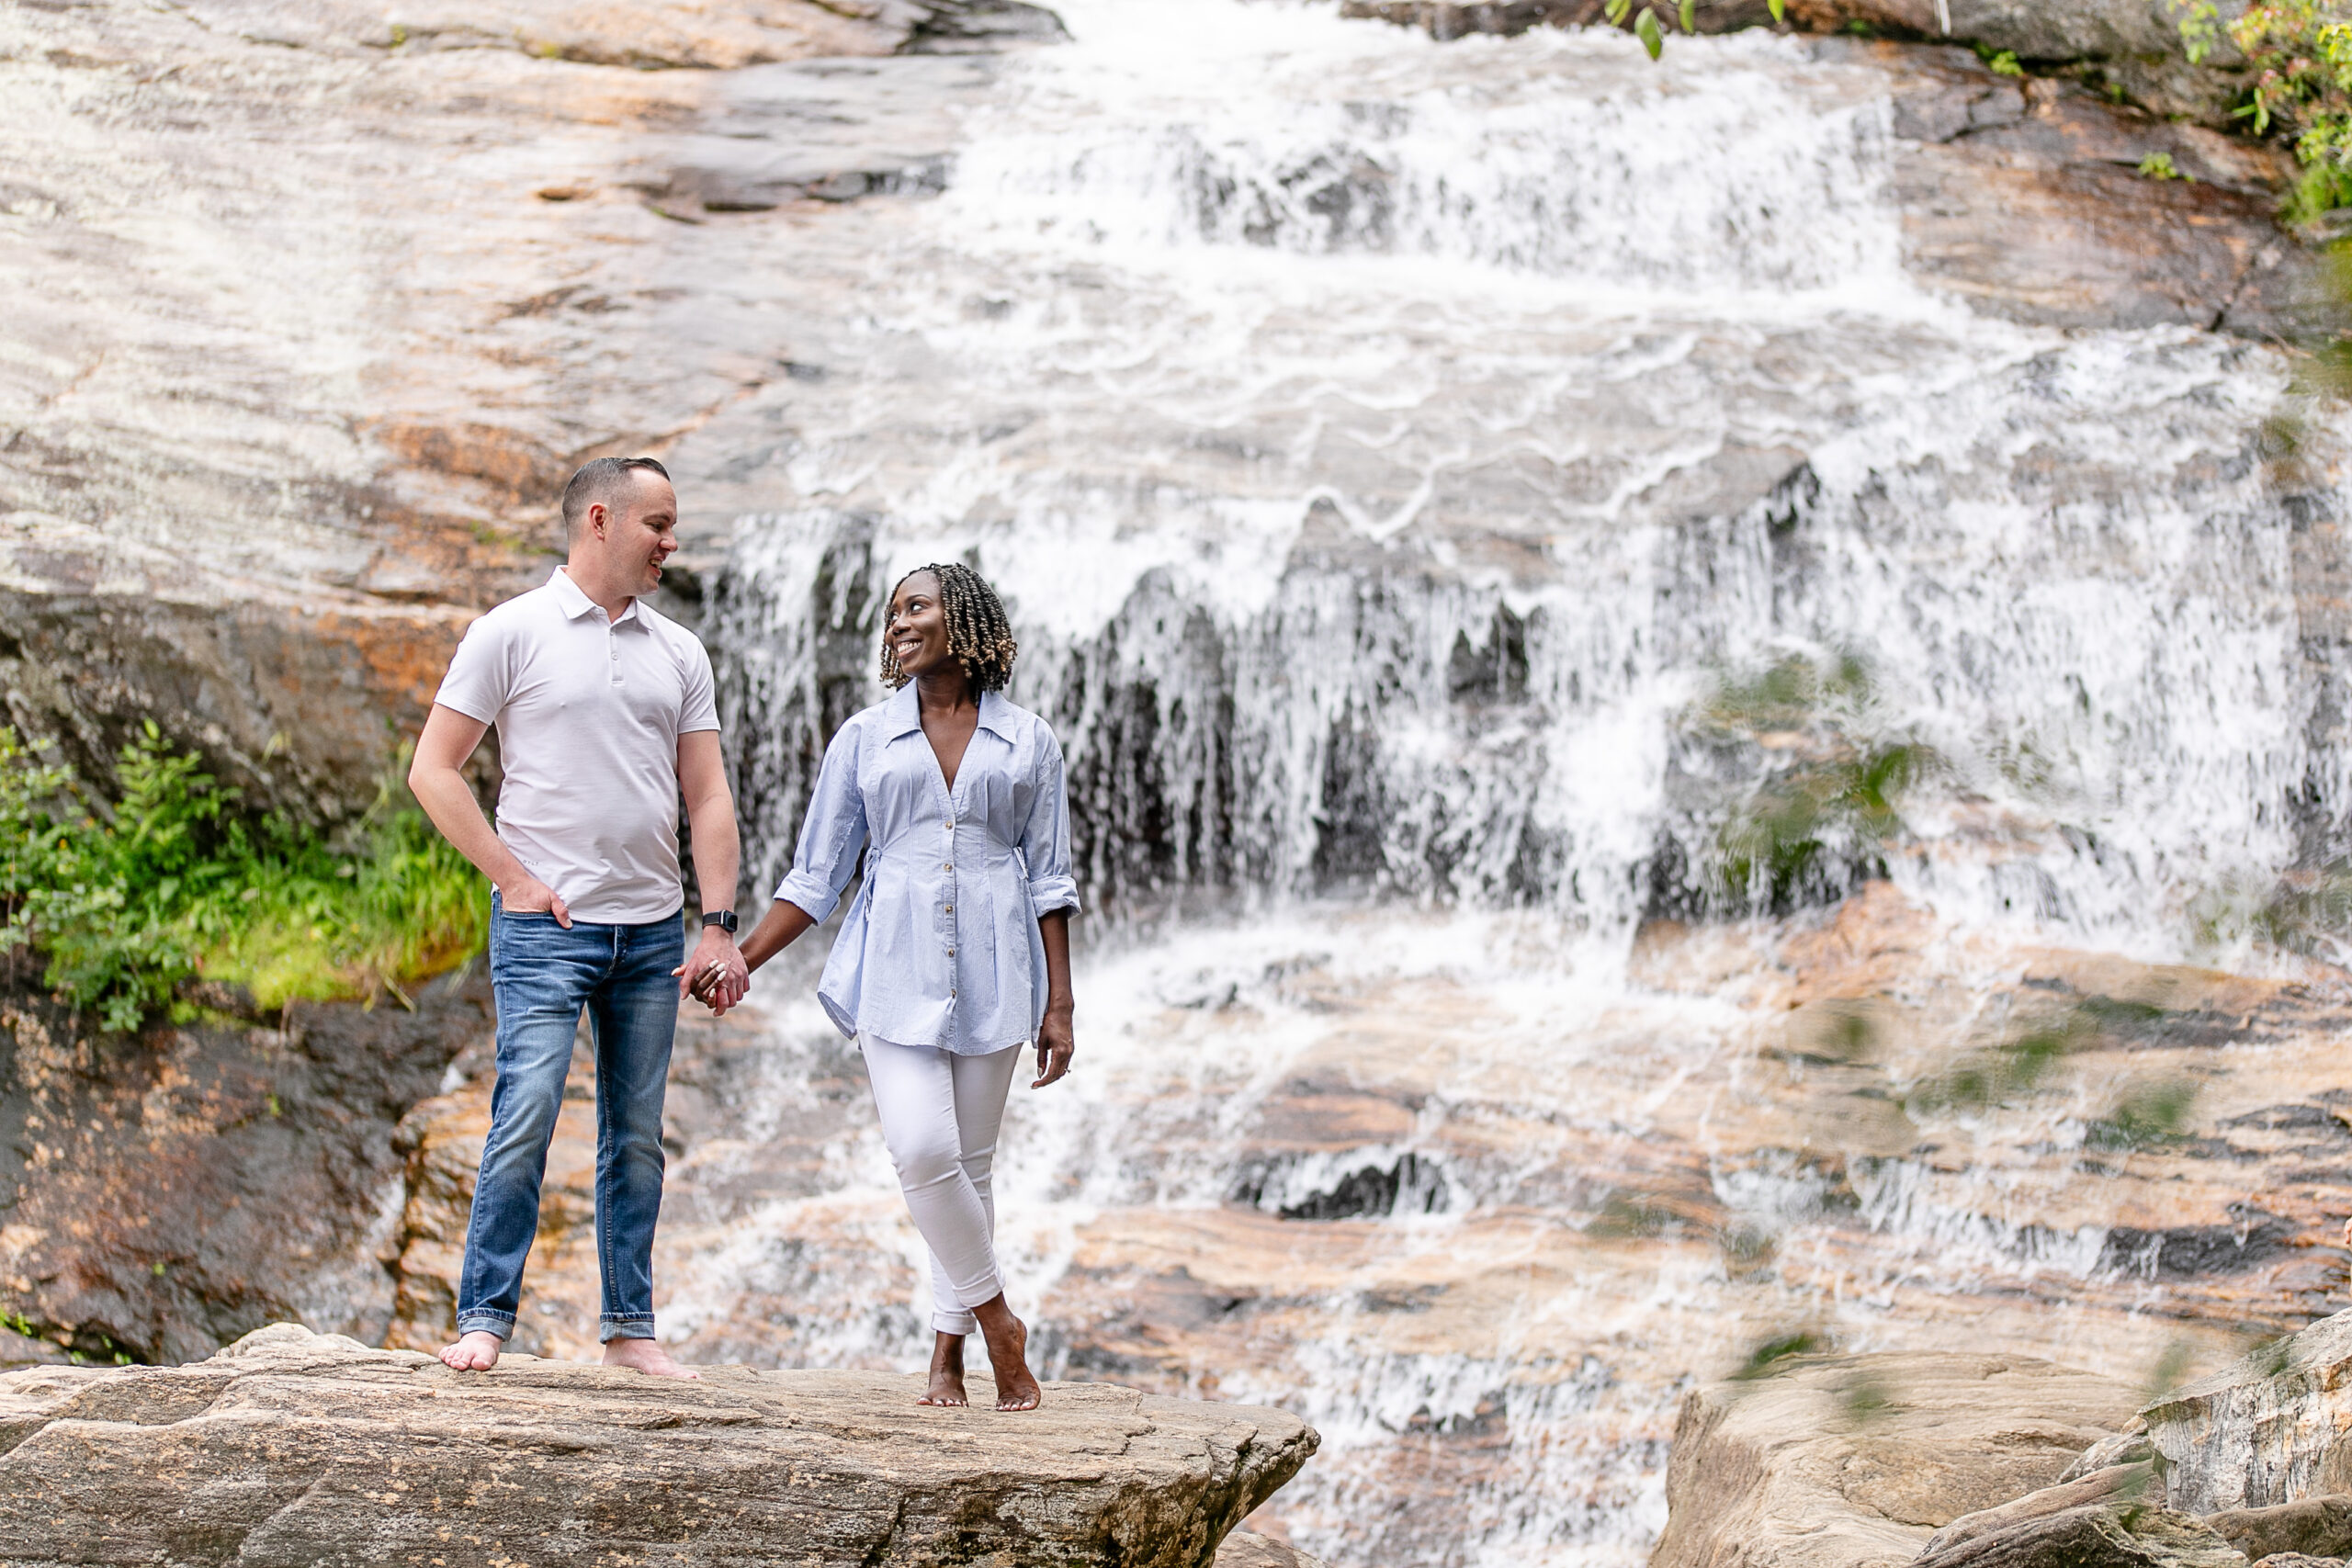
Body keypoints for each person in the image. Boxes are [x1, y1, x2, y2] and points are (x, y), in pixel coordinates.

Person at [408, 456, 751, 1378]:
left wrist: (717, 924)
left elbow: (709, 796)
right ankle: (483, 1318)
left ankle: (630, 1332)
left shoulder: (678, 650)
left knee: (635, 1136)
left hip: (650, 936)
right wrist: (511, 877)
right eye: (658, 525)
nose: (671, 543)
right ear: (600, 519)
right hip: (544, 930)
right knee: (524, 1112)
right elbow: (432, 770)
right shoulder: (509, 632)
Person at [729, 562, 1077, 1412]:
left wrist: (1060, 1003)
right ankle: (1000, 1323)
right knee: (923, 1152)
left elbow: (1050, 877)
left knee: (972, 1167)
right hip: (892, 965)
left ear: (962, 619)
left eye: (914, 607)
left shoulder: (1028, 739)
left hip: (998, 970)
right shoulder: (862, 739)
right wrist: (743, 957)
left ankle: (945, 1352)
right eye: (892, 614)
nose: (898, 624)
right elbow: (816, 875)